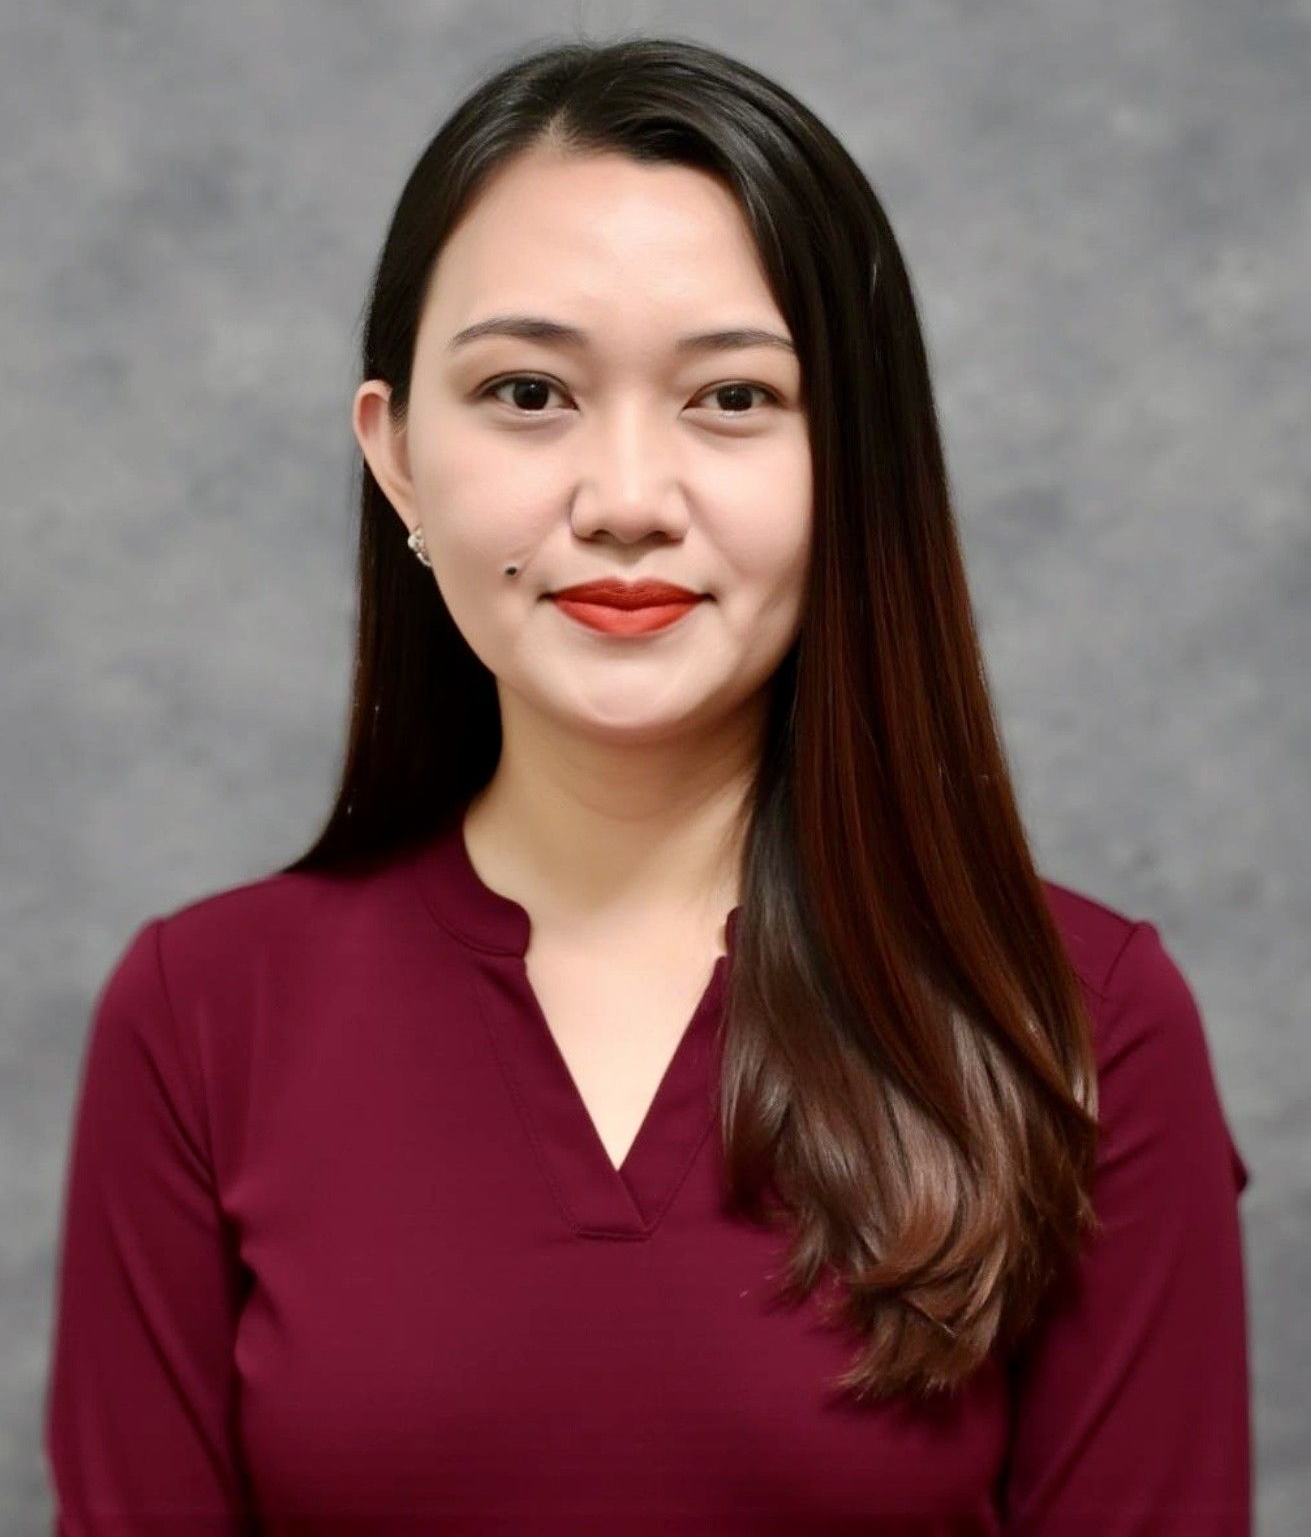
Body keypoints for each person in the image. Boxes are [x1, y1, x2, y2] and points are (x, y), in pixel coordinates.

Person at [43, 34, 1253, 1534]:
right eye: (527, 390)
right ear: (398, 455)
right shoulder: (200, 1016)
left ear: (856, 460)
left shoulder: (1075, 1015)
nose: (623, 501)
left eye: (733, 399)